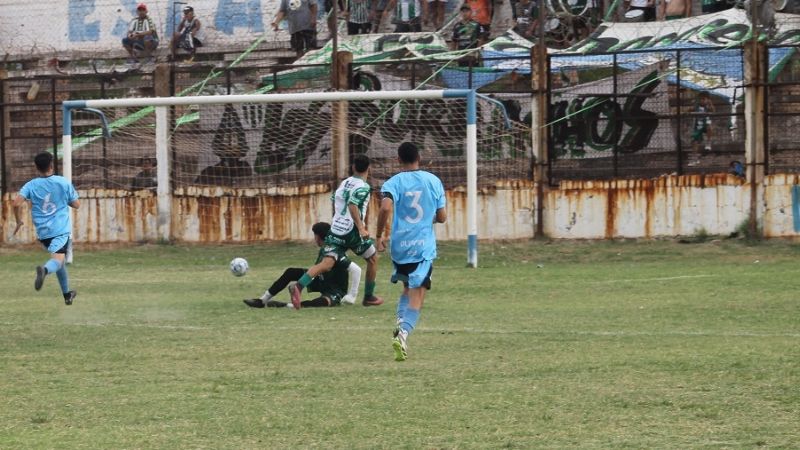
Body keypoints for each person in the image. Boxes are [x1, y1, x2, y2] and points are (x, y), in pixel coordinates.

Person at [376, 142, 446, 362]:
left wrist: (378, 236)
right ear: (420, 158)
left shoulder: (393, 182)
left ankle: (399, 323)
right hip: (422, 247)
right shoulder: (433, 181)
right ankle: (404, 334)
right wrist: (428, 218)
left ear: (398, 160)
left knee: (407, 288)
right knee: (419, 294)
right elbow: (442, 217)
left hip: (400, 246)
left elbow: (385, 207)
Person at [289, 154, 384, 308]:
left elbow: (335, 200)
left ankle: (298, 286)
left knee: (326, 263)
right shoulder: (364, 187)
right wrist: (361, 227)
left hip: (336, 229)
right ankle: (368, 296)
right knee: (372, 258)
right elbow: (353, 205)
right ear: (369, 169)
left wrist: (339, 220)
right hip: (352, 232)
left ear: (353, 167)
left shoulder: (344, 183)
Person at [11, 152, 80, 305]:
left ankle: (67, 295)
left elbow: (15, 203)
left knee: (60, 262)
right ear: (51, 165)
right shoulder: (63, 182)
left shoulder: (31, 185)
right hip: (60, 231)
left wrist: (18, 221)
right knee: (56, 261)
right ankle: (45, 270)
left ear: (37, 167)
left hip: (43, 234)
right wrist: (64, 199)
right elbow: (76, 204)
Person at [244, 222, 362, 308]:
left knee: (323, 302)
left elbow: (356, 270)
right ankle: (262, 300)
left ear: (318, 236)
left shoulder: (335, 252)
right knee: (291, 272)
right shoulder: (324, 248)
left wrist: (352, 295)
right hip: (321, 281)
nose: (314, 238)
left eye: (314, 235)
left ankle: (287, 305)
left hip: (335, 291)